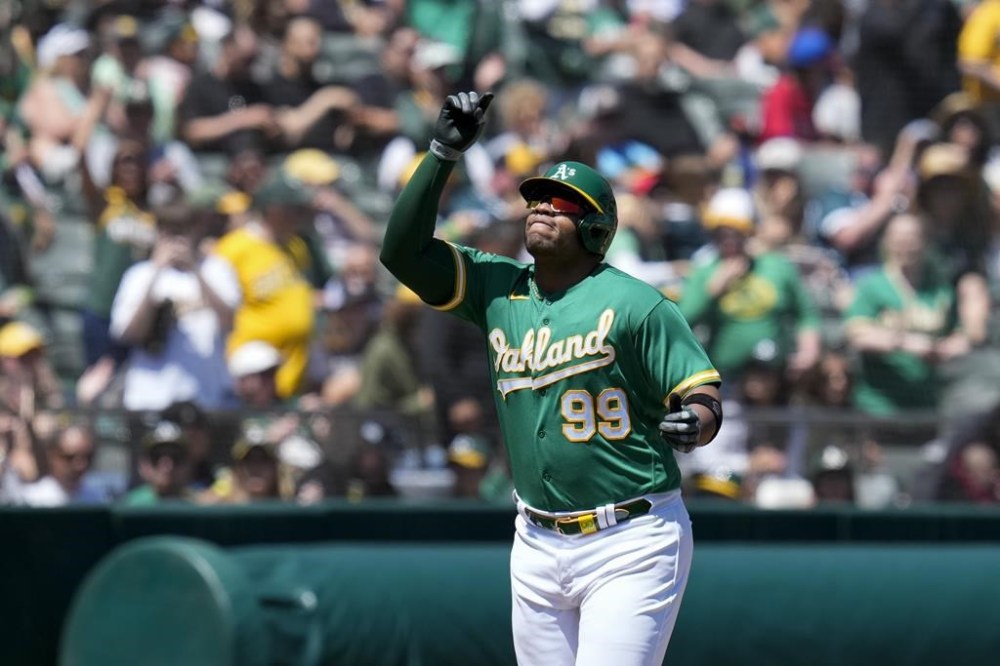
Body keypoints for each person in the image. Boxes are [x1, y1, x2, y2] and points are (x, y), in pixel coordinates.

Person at [380, 91, 722, 665]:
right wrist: (441, 154)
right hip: (535, 538)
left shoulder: (637, 304)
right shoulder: (497, 287)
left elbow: (701, 391)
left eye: (561, 202)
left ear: (596, 227)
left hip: (630, 537)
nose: (541, 207)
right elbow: (401, 253)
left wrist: (699, 420)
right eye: (536, 198)